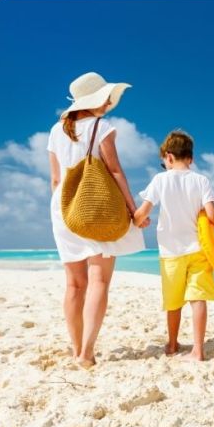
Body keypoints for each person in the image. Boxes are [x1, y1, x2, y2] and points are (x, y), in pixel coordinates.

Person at [47, 72, 146, 368]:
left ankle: (76, 347)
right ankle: (86, 353)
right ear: (99, 98)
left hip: (63, 210)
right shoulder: (101, 127)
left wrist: (64, 211)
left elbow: (55, 180)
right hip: (95, 209)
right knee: (99, 280)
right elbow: (114, 172)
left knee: (74, 285)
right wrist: (132, 210)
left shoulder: (55, 130)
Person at [133, 130, 214, 361]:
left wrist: (137, 220)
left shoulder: (160, 180)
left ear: (169, 157)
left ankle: (172, 344)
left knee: (173, 302)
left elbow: (143, 211)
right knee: (198, 298)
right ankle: (198, 351)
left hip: (170, 253)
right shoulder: (201, 180)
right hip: (198, 249)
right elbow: (212, 214)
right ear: (190, 158)